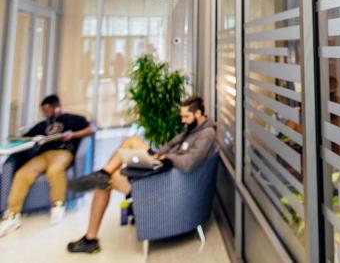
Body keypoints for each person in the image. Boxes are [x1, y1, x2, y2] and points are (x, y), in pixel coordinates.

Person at [66, 96, 215, 254]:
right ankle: (103, 174)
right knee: (127, 147)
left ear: (198, 113)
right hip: (164, 167)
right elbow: (171, 145)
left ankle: (91, 237)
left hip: (167, 180)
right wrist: (157, 155)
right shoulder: (192, 129)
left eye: (186, 117)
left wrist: (165, 158)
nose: (183, 120)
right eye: (182, 116)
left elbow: (189, 162)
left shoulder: (206, 133)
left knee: (109, 175)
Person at [0, 95, 95, 238]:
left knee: (55, 170)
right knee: (23, 173)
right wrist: (32, 140)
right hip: (43, 155)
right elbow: (25, 138)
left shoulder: (72, 119)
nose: (45, 113)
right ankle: (12, 215)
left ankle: (57, 205)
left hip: (63, 152)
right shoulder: (42, 125)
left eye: (47, 110)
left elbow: (92, 128)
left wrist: (73, 134)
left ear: (56, 107)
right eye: (43, 110)